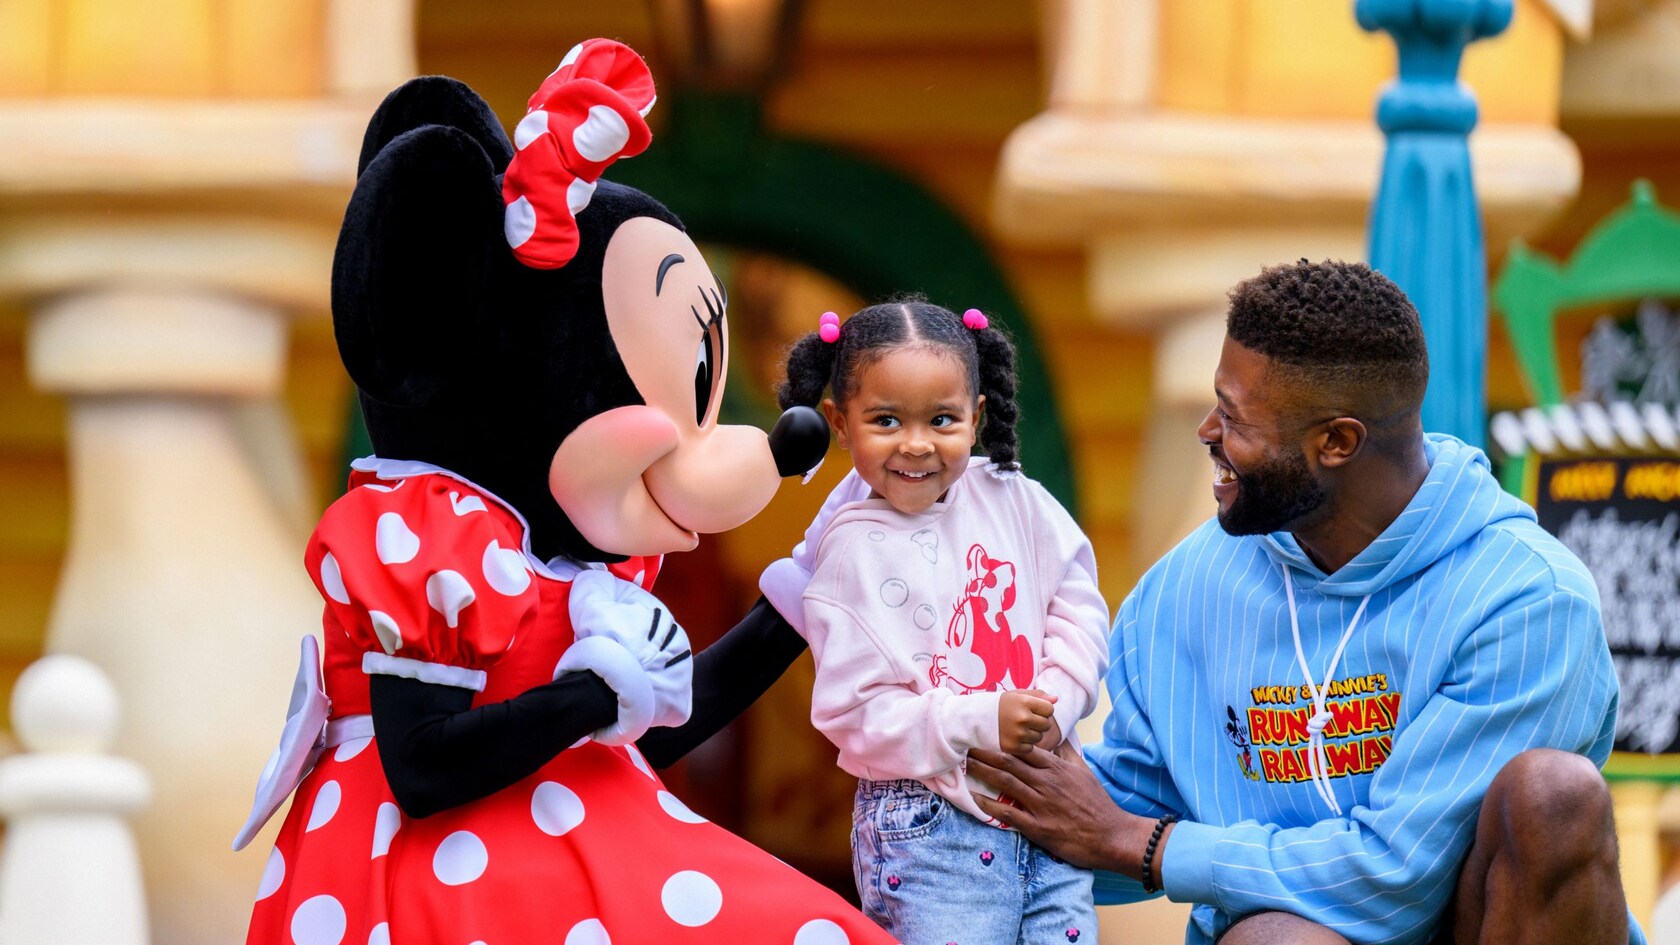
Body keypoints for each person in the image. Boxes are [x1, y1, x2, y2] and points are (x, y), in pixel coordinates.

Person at [965, 259, 1640, 945]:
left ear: (1337, 441)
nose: (1206, 432)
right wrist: (983, 764)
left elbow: (1394, 881)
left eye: (1233, 418)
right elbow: (1106, 818)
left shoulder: (1524, 601)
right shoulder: (1183, 589)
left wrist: (1149, 846)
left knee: (1554, 793)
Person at [774, 300, 1111, 945]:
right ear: (841, 424)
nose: (917, 442)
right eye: (886, 420)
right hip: (931, 833)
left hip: (1047, 802)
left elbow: (1078, 606)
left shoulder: (1019, 500)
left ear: (977, 416)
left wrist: (1054, 708)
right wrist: (984, 722)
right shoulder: (848, 557)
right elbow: (856, 717)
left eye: (943, 419)